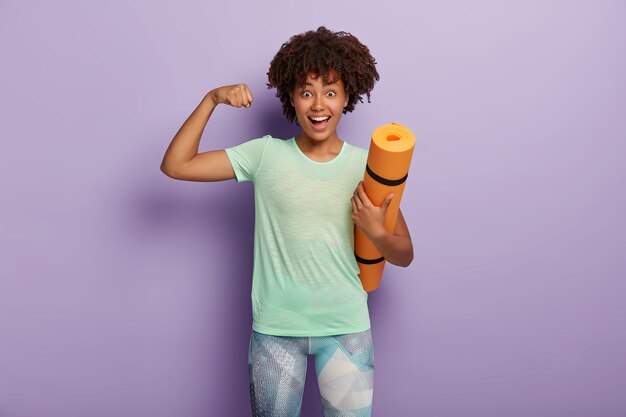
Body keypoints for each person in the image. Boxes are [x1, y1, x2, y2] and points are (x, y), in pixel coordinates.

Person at [160, 26, 413, 417]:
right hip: (275, 329)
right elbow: (176, 165)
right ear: (290, 97)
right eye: (306, 91)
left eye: (330, 92)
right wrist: (212, 99)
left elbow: (405, 254)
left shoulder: (368, 166)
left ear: (347, 97)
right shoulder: (265, 155)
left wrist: (377, 231)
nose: (318, 104)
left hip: (345, 325)